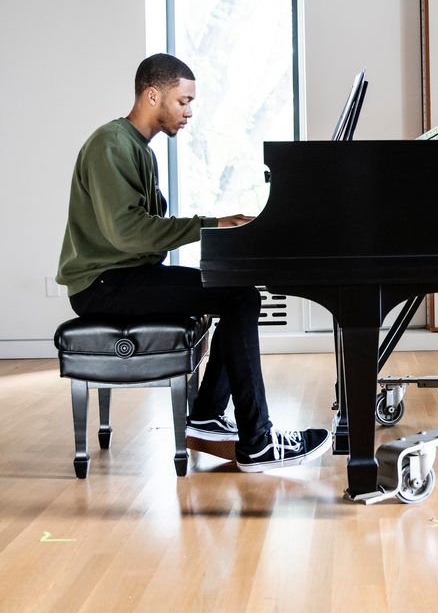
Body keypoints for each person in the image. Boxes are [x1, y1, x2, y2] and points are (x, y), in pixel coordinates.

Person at [56, 53, 330, 472]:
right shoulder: (111, 144)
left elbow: (145, 231)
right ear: (152, 95)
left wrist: (221, 231)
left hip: (127, 277)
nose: (189, 112)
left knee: (237, 294)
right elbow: (127, 233)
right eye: (183, 101)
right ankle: (256, 442)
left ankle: (206, 417)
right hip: (103, 285)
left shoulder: (138, 150)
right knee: (238, 297)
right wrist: (212, 225)